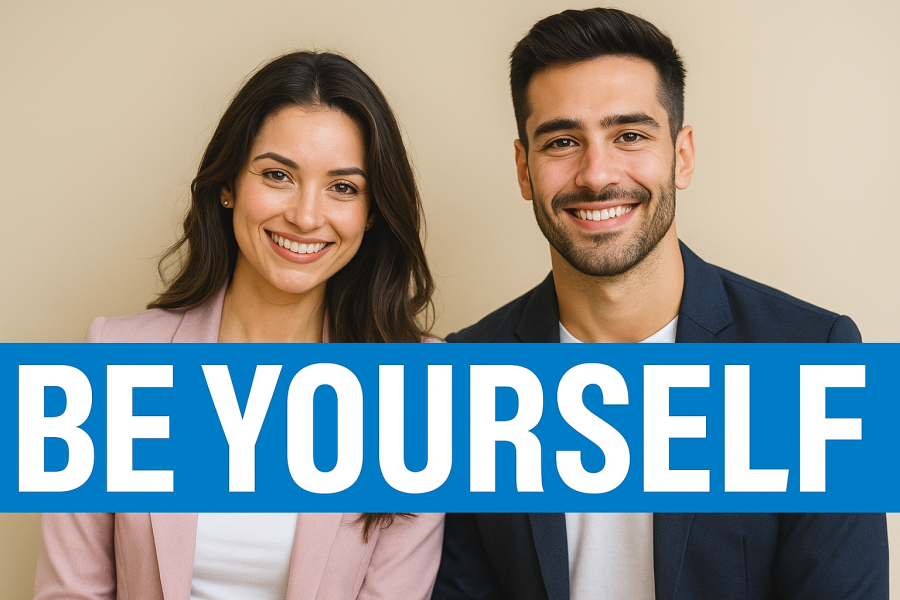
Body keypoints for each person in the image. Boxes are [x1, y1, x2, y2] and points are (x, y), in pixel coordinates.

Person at [432, 8, 888, 600]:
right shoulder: (460, 374)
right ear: (524, 169)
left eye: (630, 135)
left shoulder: (815, 358)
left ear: (683, 154)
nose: (597, 174)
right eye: (563, 141)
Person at [34, 51, 443, 599]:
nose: (304, 214)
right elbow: (70, 592)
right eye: (278, 175)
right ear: (228, 184)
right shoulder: (112, 358)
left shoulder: (419, 392)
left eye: (343, 187)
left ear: (370, 213)